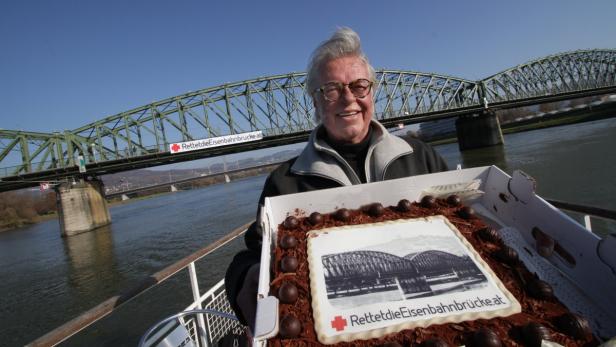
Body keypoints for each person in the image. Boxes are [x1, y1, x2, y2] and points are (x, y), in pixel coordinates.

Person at [225, 27, 448, 331]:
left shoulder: (422, 157)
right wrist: (246, 279)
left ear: (371, 92)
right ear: (316, 103)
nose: (348, 99)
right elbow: (253, 255)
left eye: (359, 86)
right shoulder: (285, 182)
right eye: (331, 90)